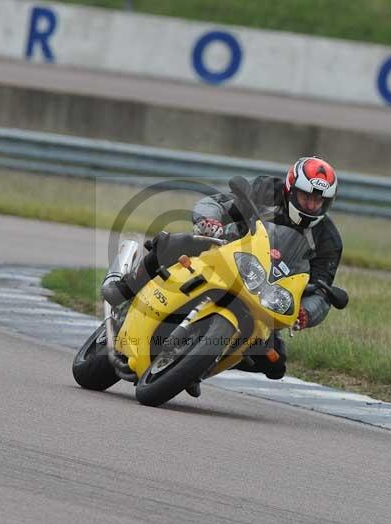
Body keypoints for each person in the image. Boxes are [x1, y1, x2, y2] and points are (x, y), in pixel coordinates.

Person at [102, 156, 343, 380]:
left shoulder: (328, 240)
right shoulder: (268, 191)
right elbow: (218, 203)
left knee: (275, 363)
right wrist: (210, 221)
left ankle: (201, 362)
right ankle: (126, 287)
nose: (312, 204)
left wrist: (307, 313)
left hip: (265, 293)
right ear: (291, 189)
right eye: (306, 197)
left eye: (318, 200)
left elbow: (322, 290)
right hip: (225, 251)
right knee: (173, 243)